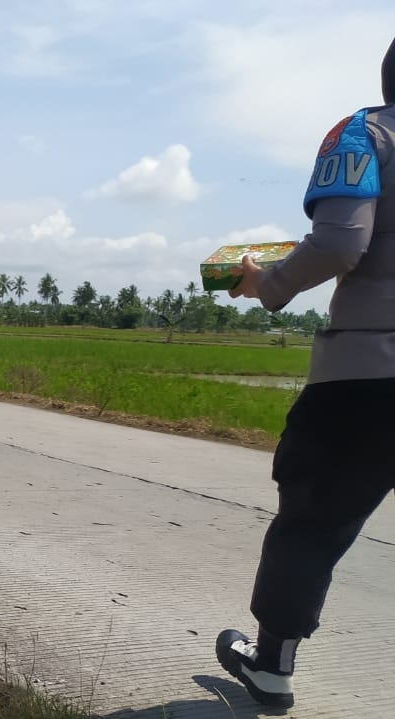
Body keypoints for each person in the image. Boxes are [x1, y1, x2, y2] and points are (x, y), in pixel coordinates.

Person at [215, 37, 395, 710]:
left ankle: (272, 665)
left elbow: (343, 240)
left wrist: (272, 283)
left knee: (312, 518)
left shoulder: (364, 132)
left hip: (370, 371)